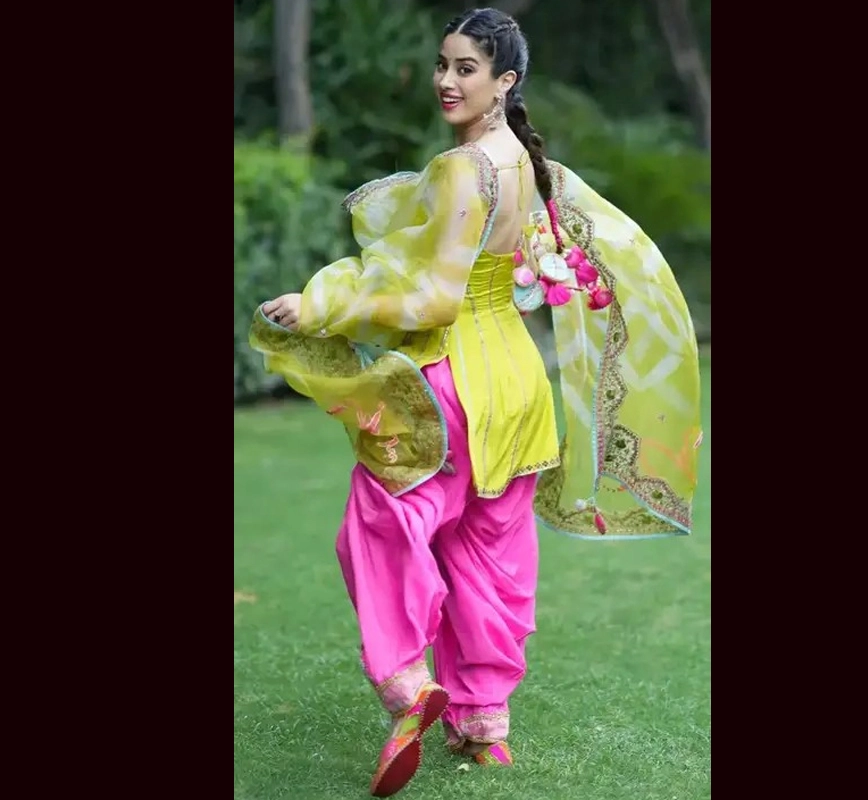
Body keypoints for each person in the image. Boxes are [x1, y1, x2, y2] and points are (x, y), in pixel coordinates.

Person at [249, 7, 702, 797]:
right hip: (518, 385)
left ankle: (406, 682)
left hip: (450, 384)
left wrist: (323, 304)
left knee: (382, 522)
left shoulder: (464, 168)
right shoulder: (525, 162)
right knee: (487, 551)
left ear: (505, 81)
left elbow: (434, 299)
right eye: (442, 64)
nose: (446, 81)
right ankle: (484, 721)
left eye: (466, 68)